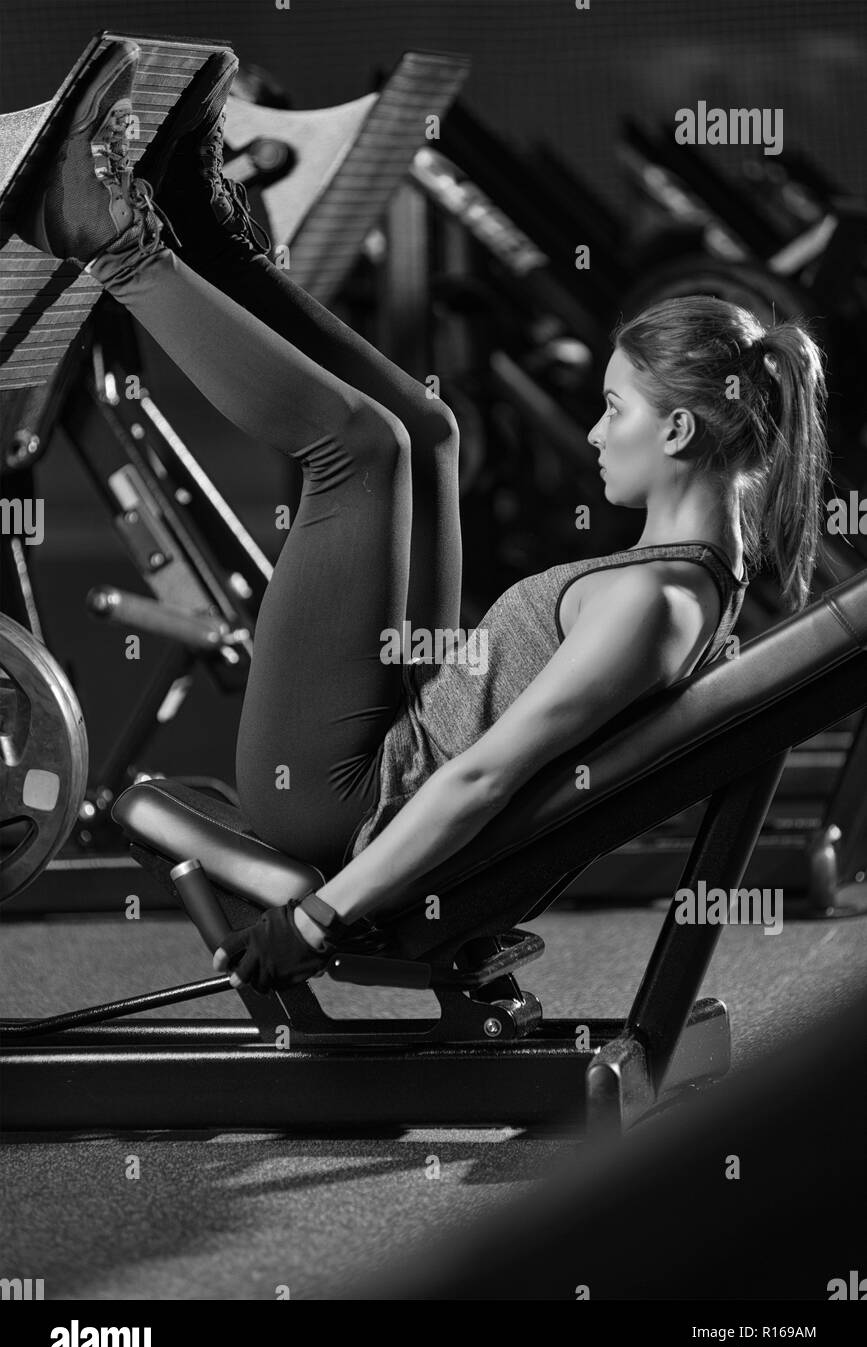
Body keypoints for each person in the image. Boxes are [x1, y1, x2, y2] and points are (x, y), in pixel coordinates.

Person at [17, 42, 829, 991]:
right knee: (426, 432)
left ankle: (105, 237)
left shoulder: (648, 606)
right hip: (398, 725)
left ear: (682, 429)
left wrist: (318, 920)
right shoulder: (691, 576)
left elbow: (483, 782)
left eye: (615, 409)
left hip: (338, 797)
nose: (593, 432)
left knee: (354, 452)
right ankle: (198, 222)